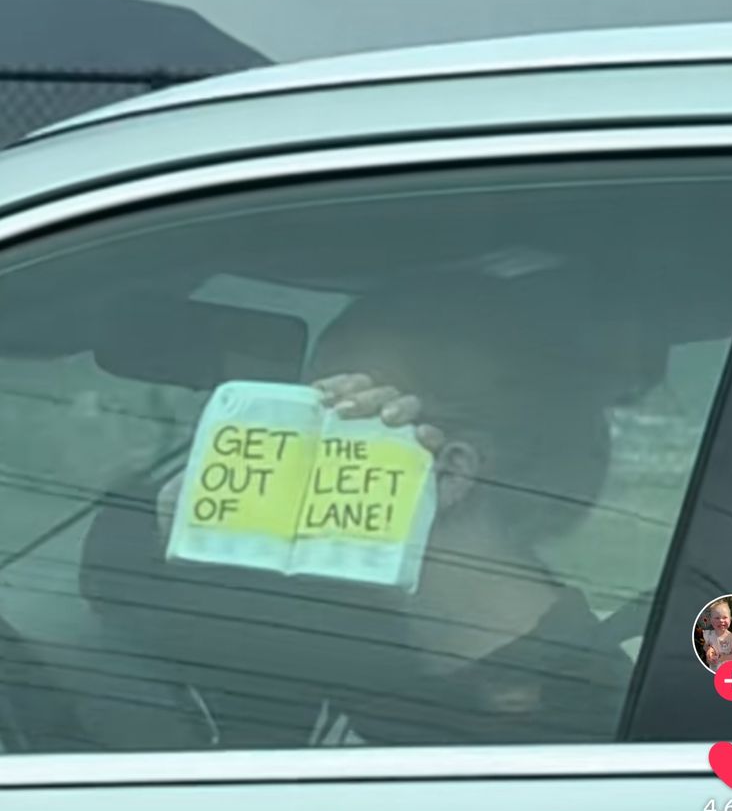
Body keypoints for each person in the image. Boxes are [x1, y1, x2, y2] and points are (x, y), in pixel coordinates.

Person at [82, 279, 669, 749]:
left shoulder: (582, 718)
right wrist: (190, 513)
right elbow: (114, 595)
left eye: (327, 425)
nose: (294, 451)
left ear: (449, 471)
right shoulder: (353, 634)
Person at [702, 598, 732, 670]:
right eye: (717, 618)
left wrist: (724, 658)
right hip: (714, 669)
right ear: (711, 621)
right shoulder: (709, 635)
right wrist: (708, 650)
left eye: (725, 617)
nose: (721, 620)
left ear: (730, 619)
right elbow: (705, 646)